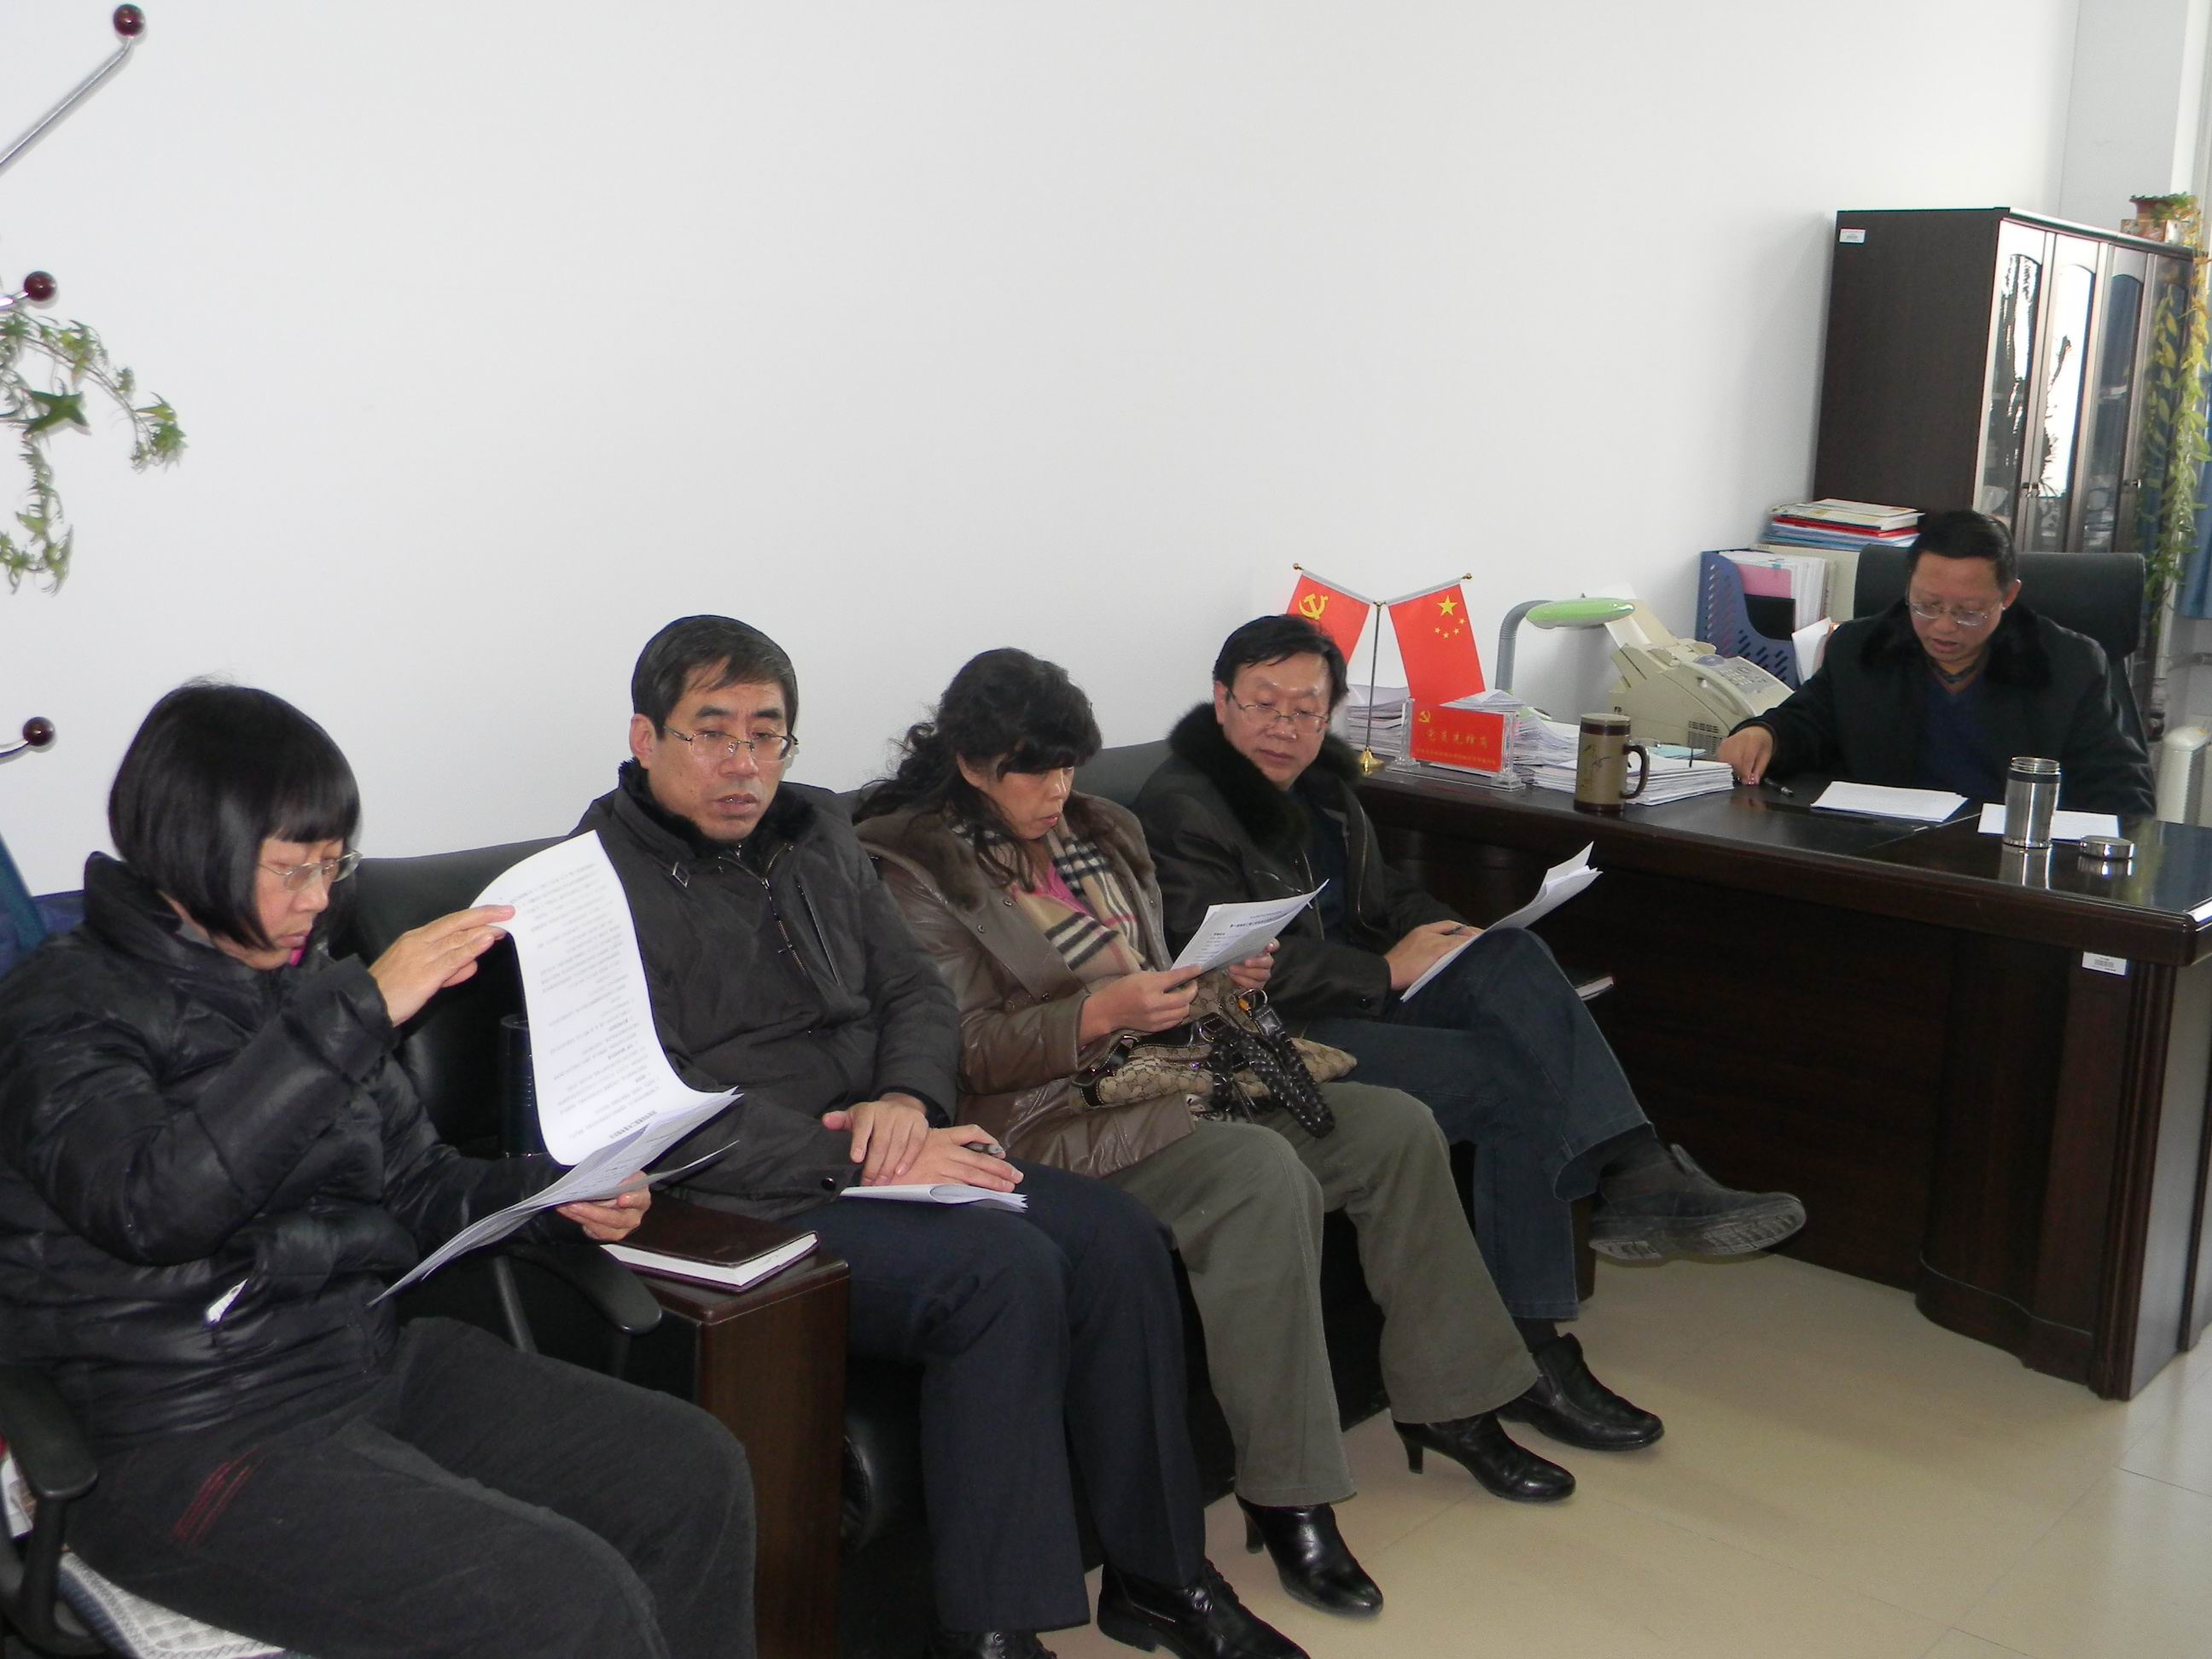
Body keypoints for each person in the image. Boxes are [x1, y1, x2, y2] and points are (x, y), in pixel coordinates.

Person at [573, 615, 1297, 1659]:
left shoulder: (818, 832)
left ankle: (1160, 1578)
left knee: (1116, 1240)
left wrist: (909, 1102)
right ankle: (991, 1634)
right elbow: (649, 1102)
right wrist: (859, 1151)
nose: (743, 764)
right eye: (712, 733)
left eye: (766, 734)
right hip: (746, 1194)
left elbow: (914, 992)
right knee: (1001, 1274)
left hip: (893, 1147)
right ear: (645, 738)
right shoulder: (591, 888)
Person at [0, 684, 755, 1659]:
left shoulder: (305, 981)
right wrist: (354, 1014)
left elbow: (419, 1183)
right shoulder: (62, 1007)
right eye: (292, 869)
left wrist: (553, 1195)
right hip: (182, 1440)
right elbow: (155, 1206)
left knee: (693, 1472)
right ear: (191, 849)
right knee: (567, 1601)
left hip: (363, 1366)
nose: (319, 899)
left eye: (333, 865)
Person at [855, 649, 1588, 1619]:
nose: (1058, 792)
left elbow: (1159, 968)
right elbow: (961, 1050)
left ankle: (1456, 1403)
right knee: (1257, 1173)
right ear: (971, 762)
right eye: (1034, 773)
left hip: (1182, 1074)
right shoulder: (911, 868)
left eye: (1069, 767)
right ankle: (1289, 1496)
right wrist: (1101, 1012)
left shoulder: (1104, 830)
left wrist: (1219, 978)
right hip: (1051, 1118)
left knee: (1395, 1129)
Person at [1135, 616, 1806, 1416]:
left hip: (1361, 1000)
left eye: (1305, 709)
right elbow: (1216, 959)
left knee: (1512, 957)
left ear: (1329, 713)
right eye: (1262, 703)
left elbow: (1385, 900)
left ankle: (1634, 1174)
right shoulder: (1185, 805)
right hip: (1277, 1036)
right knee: (1507, 1075)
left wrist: (1452, 933)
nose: (1284, 726)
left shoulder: (1326, 789)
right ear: (1221, 701)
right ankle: (1538, 1340)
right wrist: (1385, 970)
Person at [1715, 509, 2155, 813]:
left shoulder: (2069, 666)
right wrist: (1765, 733)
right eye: (1926, 605)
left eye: (1969, 612)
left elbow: (2123, 795)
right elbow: (1807, 722)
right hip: (1888, 859)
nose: (1944, 627)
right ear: (1908, 585)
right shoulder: (1863, 647)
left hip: (2008, 870)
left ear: (2008, 596)